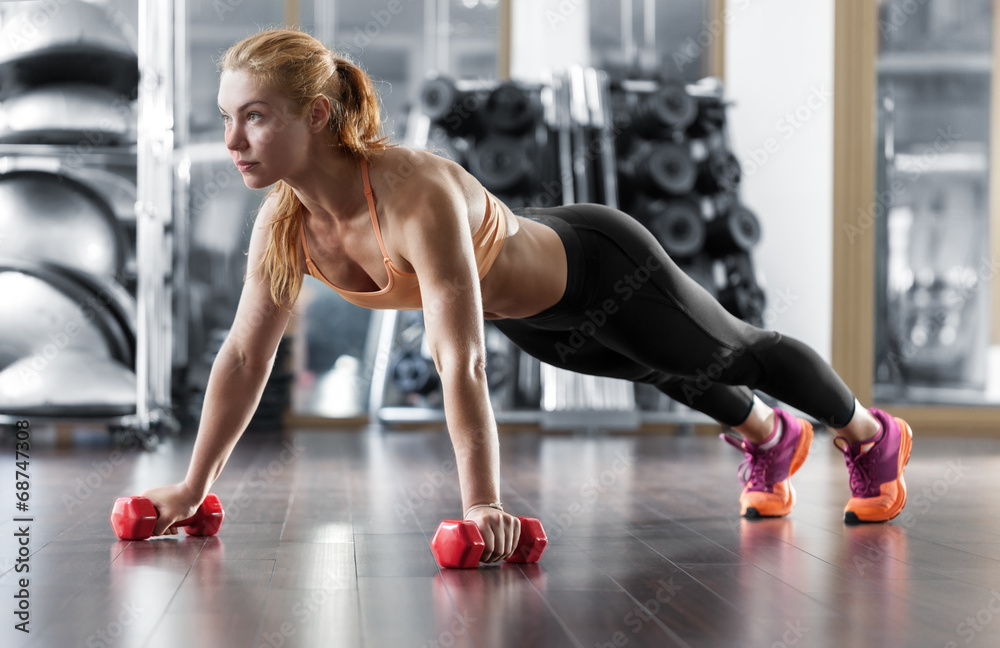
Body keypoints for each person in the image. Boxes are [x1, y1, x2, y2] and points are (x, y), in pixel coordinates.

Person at [140, 29, 912, 562]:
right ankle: (768, 435)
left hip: (600, 264)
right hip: (534, 319)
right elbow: (245, 355)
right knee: (656, 366)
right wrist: (193, 487)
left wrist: (482, 507)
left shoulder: (415, 193)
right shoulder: (286, 226)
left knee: (726, 349)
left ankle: (868, 433)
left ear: (315, 115)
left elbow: (460, 363)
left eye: (254, 117)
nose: (233, 140)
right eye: (226, 120)